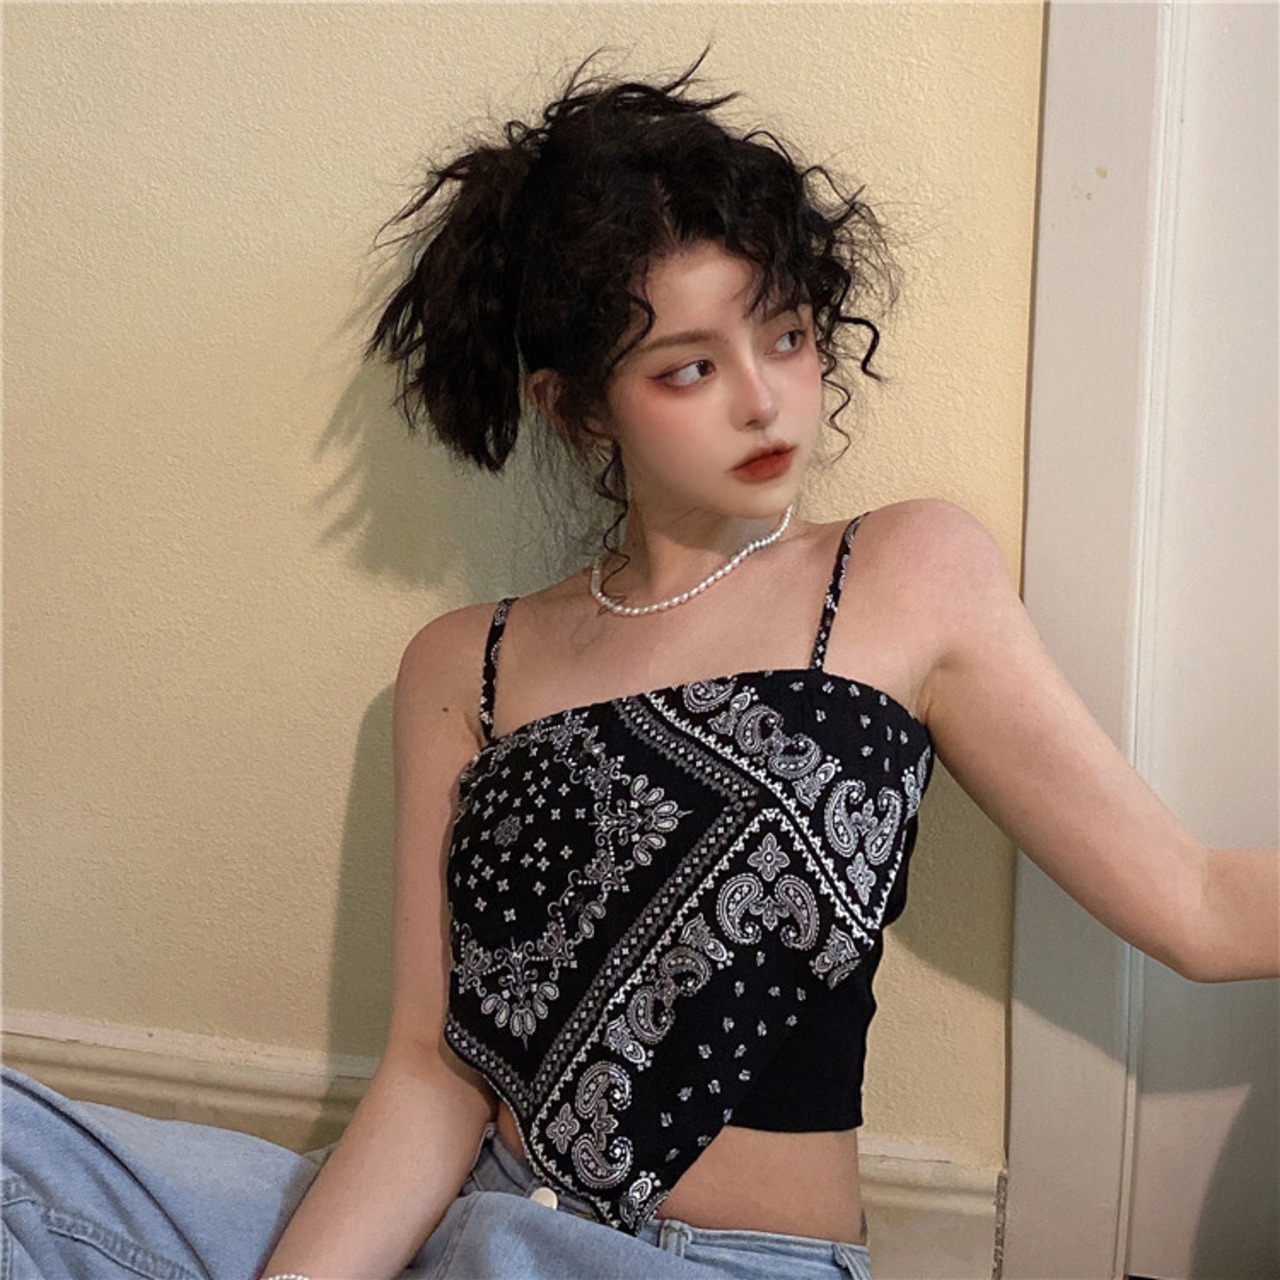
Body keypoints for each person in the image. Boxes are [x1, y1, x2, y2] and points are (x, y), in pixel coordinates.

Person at [3, 58, 1276, 1280]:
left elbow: (1198, 904)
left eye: (786, 336)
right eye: (689, 368)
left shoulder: (901, 571)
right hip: (471, 1218)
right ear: (575, 404)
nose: (764, 402)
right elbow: (433, 1074)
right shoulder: (464, 662)